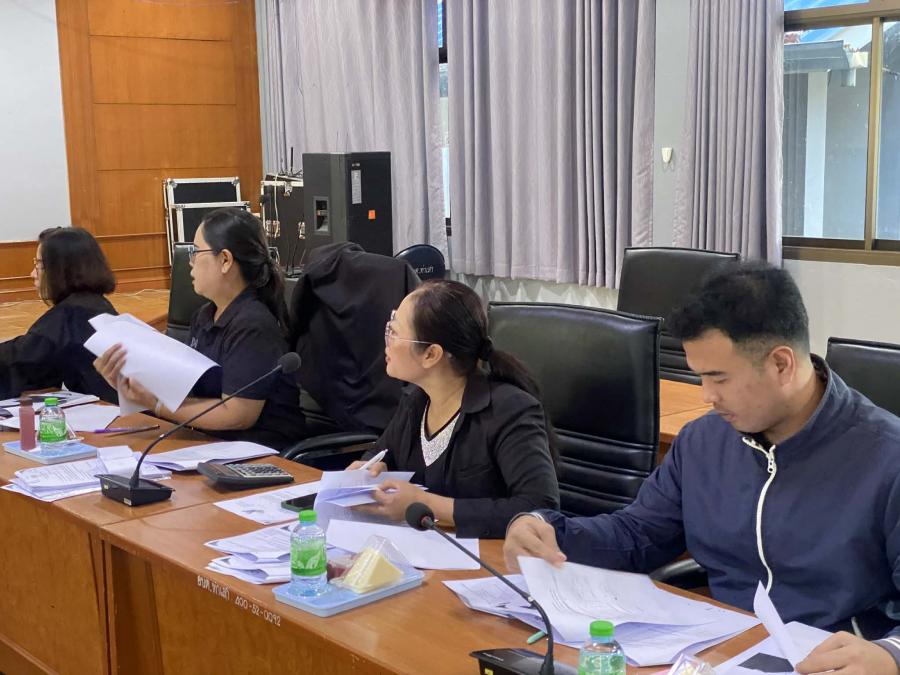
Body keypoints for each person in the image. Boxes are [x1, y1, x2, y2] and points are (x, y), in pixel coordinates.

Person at [503, 262, 900, 675]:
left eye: (719, 378)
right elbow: (638, 535)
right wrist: (547, 530)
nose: (706, 396)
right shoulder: (703, 441)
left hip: (833, 663)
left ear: (782, 365)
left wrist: (891, 654)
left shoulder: (887, 458)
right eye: (700, 377)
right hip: (719, 656)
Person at [347, 279, 560, 539]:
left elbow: (540, 508)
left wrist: (427, 503)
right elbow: (383, 452)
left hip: (490, 555)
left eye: (394, 332)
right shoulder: (416, 400)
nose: (387, 341)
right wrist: (372, 468)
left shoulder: (509, 410)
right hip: (420, 547)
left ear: (431, 354)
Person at [94, 208, 304, 450]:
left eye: (196, 252)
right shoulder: (204, 316)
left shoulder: (253, 324)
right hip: (210, 444)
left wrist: (158, 404)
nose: (190, 262)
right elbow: (188, 388)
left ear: (225, 260)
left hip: (260, 451)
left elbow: (238, 415)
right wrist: (131, 378)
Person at [0, 227, 117, 402]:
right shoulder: (96, 304)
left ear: (60, 270)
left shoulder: (71, 314)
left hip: (112, 411)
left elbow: (23, 358)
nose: (33, 274)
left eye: (39, 265)